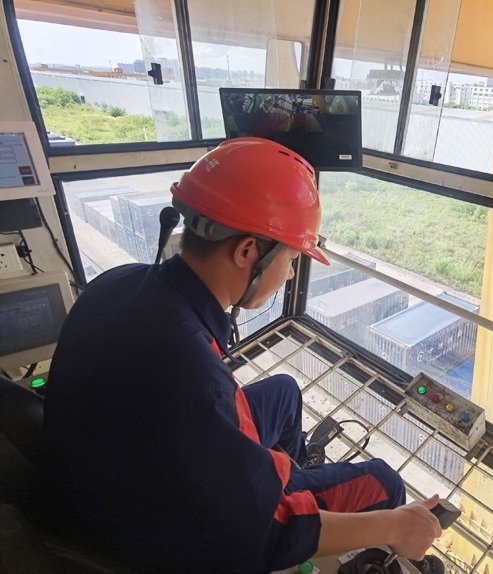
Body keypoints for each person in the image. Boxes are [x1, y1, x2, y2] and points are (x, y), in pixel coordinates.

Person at [43, 138, 442, 572]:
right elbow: (266, 534)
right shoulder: (195, 377)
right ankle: (288, 498)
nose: (290, 273)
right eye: (291, 258)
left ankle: (288, 478)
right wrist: (395, 526)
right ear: (247, 251)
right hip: (162, 531)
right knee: (382, 481)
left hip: (118, 471)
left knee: (285, 392)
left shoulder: (117, 282)